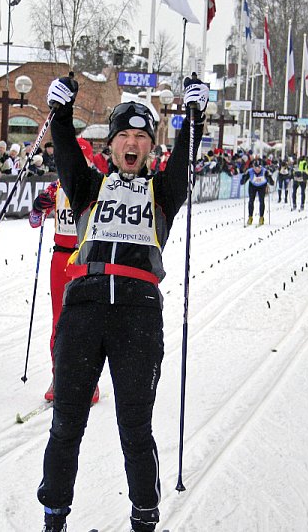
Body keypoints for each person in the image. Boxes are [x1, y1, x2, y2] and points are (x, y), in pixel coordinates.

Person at [39, 73, 207, 532]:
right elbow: (67, 150)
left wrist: (193, 116)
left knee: (135, 426)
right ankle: (54, 518)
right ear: (111, 144)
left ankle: (144, 516)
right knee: (66, 422)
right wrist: (59, 111)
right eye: (124, 136)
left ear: (150, 147)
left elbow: (184, 161)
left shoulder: (163, 193)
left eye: (141, 137)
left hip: (138, 315)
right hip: (84, 309)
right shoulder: (88, 187)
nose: (132, 144)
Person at [28, 137, 100, 405]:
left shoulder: (99, 185)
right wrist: (38, 207)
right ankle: (58, 376)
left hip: (88, 259)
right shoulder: (54, 187)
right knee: (59, 320)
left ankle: (89, 381)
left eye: (82, 158)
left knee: (88, 321)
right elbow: (35, 222)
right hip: (61, 258)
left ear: (90, 160)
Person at [241, 159, 274, 226]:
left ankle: (261, 218)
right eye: (255, 167)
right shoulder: (250, 171)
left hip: (262, 186)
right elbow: (242, 182)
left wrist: (269, 178)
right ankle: (250, 217)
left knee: (261, 201)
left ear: (261, 167)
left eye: (258, 167)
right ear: (253, 167)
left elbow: (272, 183)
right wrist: (244, 178)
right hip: (252, 186)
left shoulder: (265, 171)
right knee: (251, 201)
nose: (257, 169)